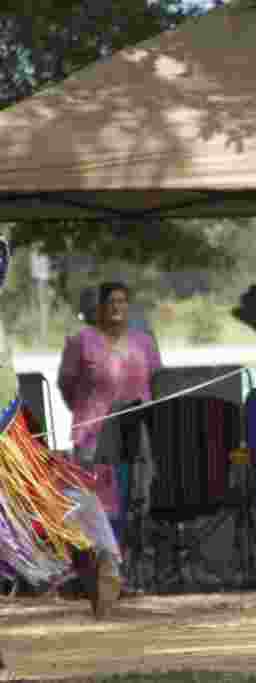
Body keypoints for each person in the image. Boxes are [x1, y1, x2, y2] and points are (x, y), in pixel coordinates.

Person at [0, 239, 122, 618]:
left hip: (8, 422)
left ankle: (95, 557)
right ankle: (98, 555)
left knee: (32, 499)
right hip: (10, 421)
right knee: (38, 497)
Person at [58, 281, 162, 592]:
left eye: (122, 302)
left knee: (135, 500)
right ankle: (103, 574)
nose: (117, 307)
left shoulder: (143, 342)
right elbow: (66, 385)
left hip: (136, 432)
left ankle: (128, 574)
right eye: (110, 302)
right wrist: (90, 410)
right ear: (99, 308)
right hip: (93, 435)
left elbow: (156, 381)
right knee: (99, 506)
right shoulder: (80, 341)